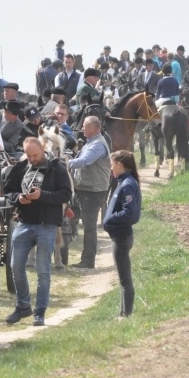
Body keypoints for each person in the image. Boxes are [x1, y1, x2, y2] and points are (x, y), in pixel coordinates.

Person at [4, 138, 73, 326]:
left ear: (43, 149)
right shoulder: (20, 168)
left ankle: (40, 312)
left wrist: (42, 195)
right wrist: (18, 198)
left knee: (43, 271)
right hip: (24, 223)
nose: (32, 159)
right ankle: (23, 306)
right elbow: (8, 191)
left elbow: (66, 194)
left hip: (47, 225)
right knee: (15, 266)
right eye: (29, 155)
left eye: (35, 155)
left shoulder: (56, 168)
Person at [67, 116, 111, 270]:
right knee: (85, 222)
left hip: (93, 191)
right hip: (85, 188)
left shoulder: (97, 145)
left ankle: (88, 261)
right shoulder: (90, 142)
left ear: (93, 128)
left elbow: (85, 161)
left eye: (84, 126)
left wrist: (64, 163)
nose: (81, 128)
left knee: (89, 226)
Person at [103, 150, 141, 318]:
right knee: (123, 279)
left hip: (122, 237)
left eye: (112, 164)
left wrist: (110, 219)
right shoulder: (123, 182)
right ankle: (123, 313)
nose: (111, 168)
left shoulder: (127, 185)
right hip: (119, 236)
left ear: (119, 164)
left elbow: (130, 213)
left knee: (125, 279)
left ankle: (126, 315)